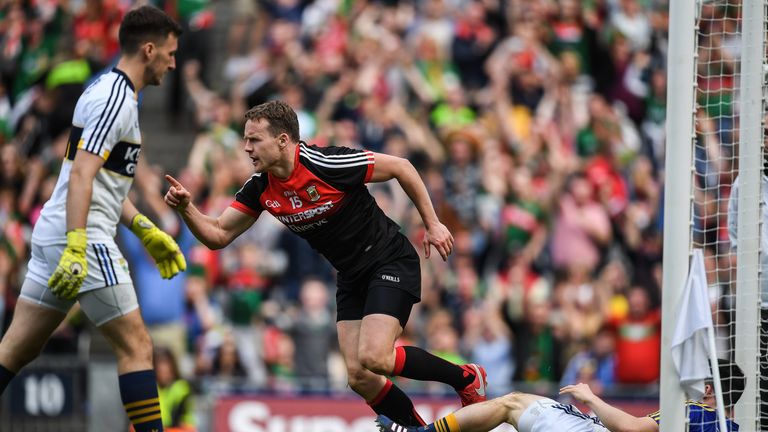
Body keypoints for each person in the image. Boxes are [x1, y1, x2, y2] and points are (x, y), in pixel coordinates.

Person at [164, 100, 487, 425]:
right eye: (245, 139)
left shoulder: (326, 164)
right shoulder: (260, 186)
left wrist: (432, 224)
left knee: (375, 356)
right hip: (350, 276)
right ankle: (416, 429)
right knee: (359, 377)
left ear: (282, 140)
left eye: (254, 140)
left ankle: (465, 378)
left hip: (388, 260)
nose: (246, 148)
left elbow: (402, 166)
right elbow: (218, 234)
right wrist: (187, 208)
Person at [0, 6, 185, 432]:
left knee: (14, 351)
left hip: (57, 232)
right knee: (137, 345)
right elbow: (82, 174)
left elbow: (100, 181)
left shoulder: (107, 91)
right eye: (170, 53)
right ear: (150, 49)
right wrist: (79, 243)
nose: (173, 63)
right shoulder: (115, 99)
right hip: (80, 238)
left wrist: (143, 227)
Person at [377, 359, 744, 432]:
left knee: (512, 402)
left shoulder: (695, 411)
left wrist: (592, 399)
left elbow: (634, 429)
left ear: (709, 389)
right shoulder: (735, 427)